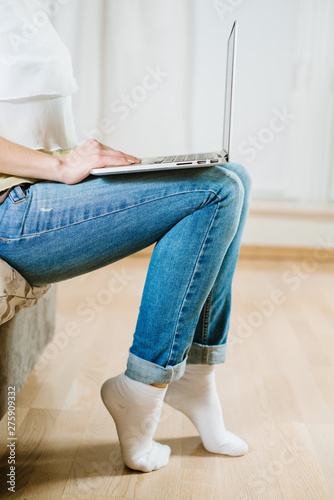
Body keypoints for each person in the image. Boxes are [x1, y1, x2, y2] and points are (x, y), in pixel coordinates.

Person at [0, 0, 251, 473]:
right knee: (215, 193)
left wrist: (80, 157)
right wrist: (58, 166)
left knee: (233, 176)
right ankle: (143, 387)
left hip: (38, 187)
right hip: (9, 212)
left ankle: (195, 376)